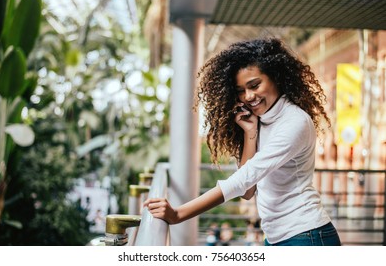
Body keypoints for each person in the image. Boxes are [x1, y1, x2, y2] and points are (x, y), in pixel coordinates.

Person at [144, 38, 341, 246]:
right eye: (240, 90)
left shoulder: (294, 122)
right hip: (277, 237)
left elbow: (241, 181)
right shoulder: (264, 121)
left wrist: (178, 214)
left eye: (255, 85)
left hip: (306, 236)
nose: (248, 96)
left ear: (276, 77)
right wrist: (250, 132)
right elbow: (248, 192)